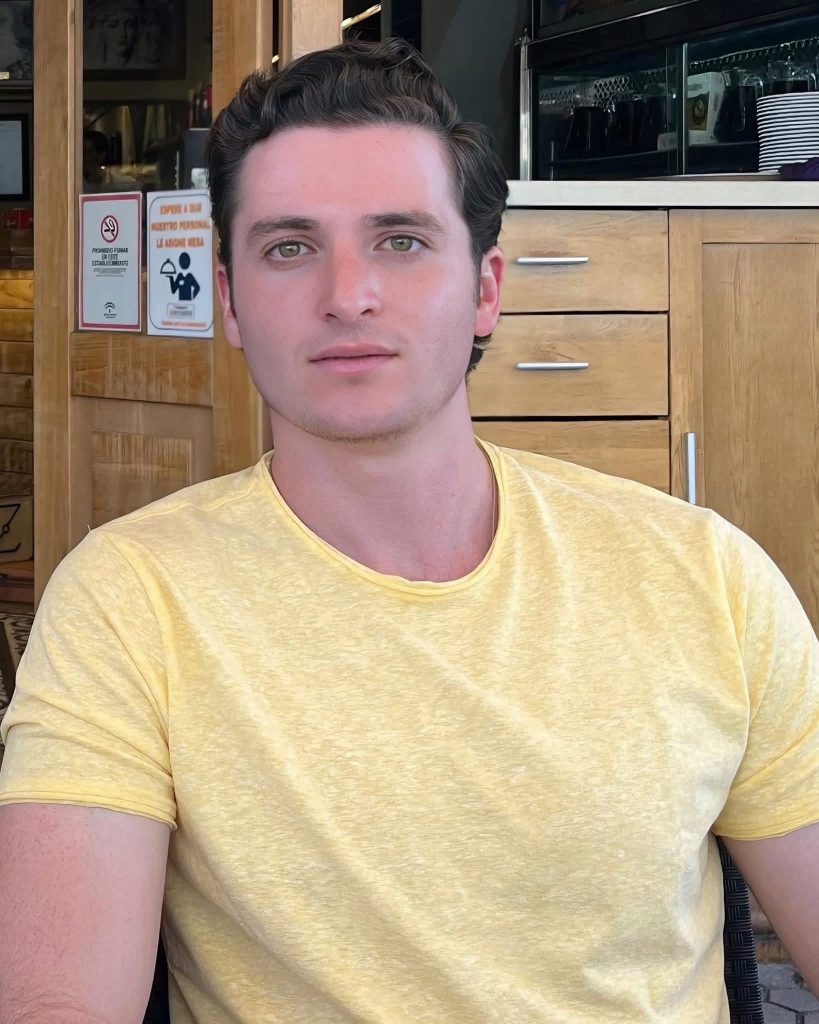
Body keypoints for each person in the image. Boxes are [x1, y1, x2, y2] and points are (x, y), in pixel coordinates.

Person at [0, 36, 818, 1024]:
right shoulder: (129, 602)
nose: (347, 295)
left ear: (485, 290)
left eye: (400, 240)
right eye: (290, 247)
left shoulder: (705, 577)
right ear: (230, 303)